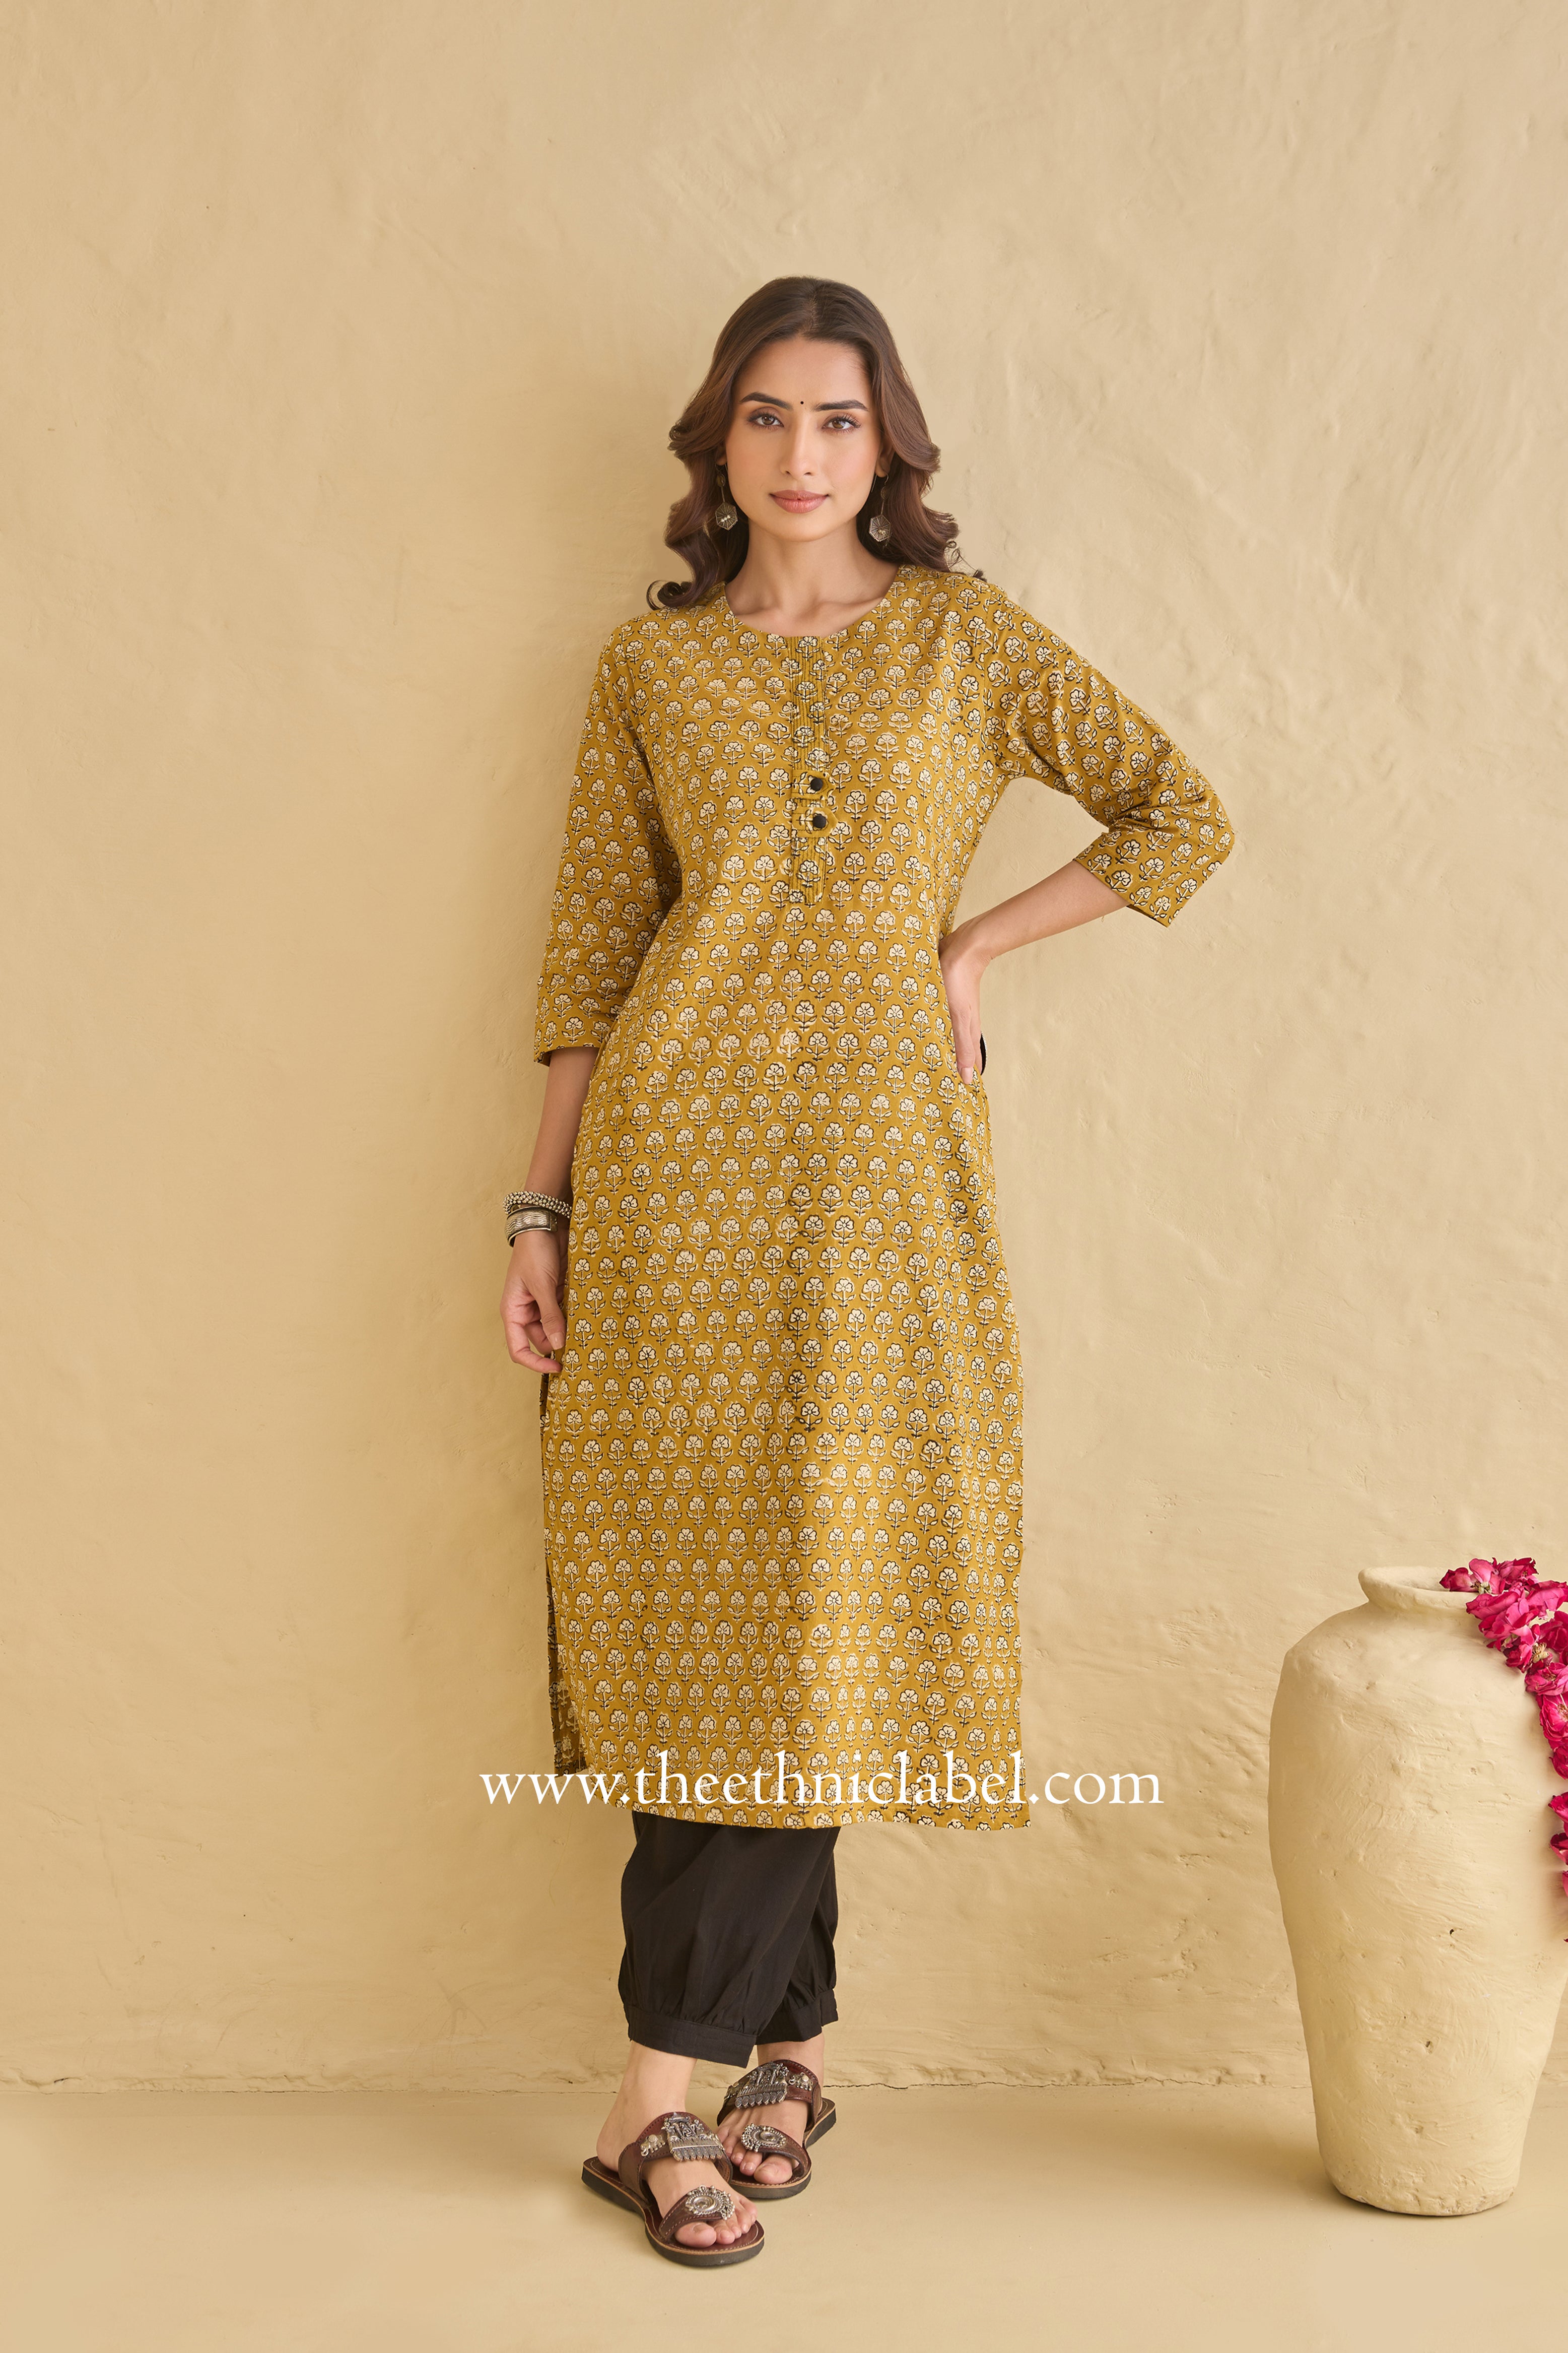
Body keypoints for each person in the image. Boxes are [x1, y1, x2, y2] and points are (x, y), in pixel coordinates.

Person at [500, 276, 1233, 2265]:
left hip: (882, 1187)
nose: (798, 453)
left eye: (834, 418)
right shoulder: (650, 667)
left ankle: (718, 2070)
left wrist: (972, 945)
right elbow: (589, 953)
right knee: (703, 1616)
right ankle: (706, 2083)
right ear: (717, 441)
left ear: (885, 443)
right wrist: (538, 1212)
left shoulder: (962, 640)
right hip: (671, 1181)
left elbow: (1179, 811)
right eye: (763, 415)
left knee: (816, 1595)